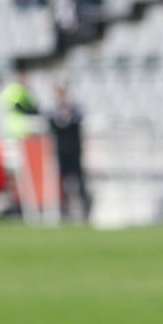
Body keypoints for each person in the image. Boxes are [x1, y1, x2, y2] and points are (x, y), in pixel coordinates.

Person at [48, 83, 92, 221]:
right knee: (61, 180)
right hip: (60, 151)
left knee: (78, 180)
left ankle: (84, 208)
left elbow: (78, 121)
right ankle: (63, 209)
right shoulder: (52, 112)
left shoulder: (75, 110)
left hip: (74, 150)